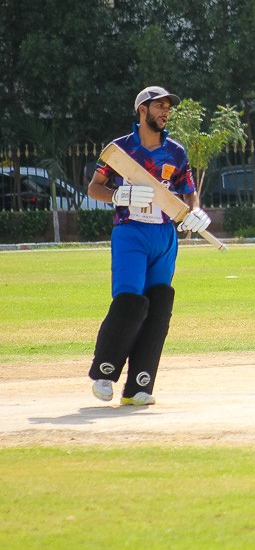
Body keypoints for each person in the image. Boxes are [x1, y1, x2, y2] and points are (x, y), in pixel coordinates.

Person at [86, 86, 212, 405]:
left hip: (164, 236)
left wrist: (196, 211)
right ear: (142, 110)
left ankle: (138, 386)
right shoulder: (120, 150)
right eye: (159, 106)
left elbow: (189, 191)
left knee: (159, 304)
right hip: (131, 232)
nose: (165, 111)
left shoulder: (176, 152)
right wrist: (119, 195)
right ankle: (105, 372)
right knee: (130, 301)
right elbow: (94, 188)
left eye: (168, 107)